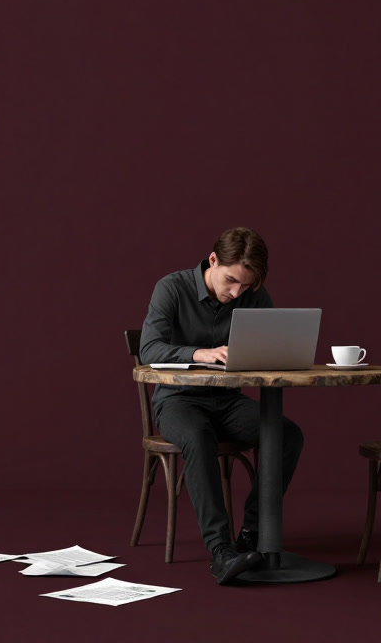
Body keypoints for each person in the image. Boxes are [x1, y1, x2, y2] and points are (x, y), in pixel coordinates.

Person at [138, 227, 305, 584]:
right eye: (231, 280)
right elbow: (149, 348)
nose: (236, 293)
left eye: (246, 285)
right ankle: (220, 551)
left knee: (287, 434)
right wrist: (198, 353)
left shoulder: (253, 296)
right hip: (177, 401)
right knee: (199, 436)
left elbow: (272, 350)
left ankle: (252, 534)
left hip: (227, 401)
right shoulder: (172, 288)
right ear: (213, 260)